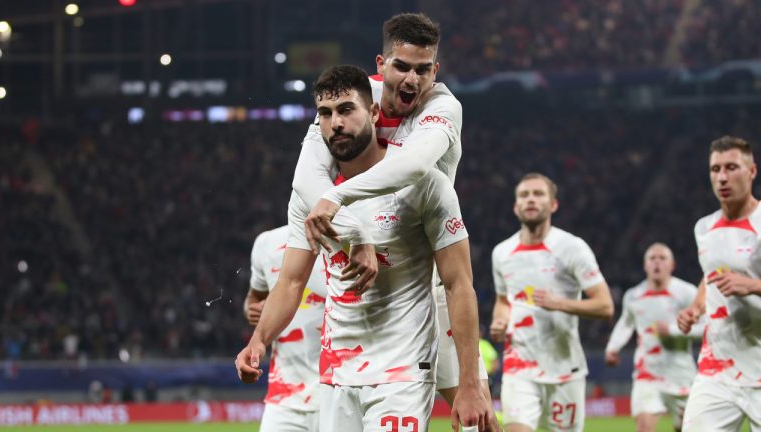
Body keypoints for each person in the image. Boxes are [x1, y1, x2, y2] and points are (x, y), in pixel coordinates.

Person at [236, 65, 489, 431]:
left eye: (346, 110)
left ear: (372, 113)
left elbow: (458, 285)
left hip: (403, 372)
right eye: (325, 114)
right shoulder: (311, 199)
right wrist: (258, 342)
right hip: (337, 375)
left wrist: (470, 383)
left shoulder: (425, 185)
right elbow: (291, 282)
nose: (335, 122)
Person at [291, 14, 495, 427]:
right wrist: (353, 231)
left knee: (476, 416)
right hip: (371, 290)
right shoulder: (350, 101)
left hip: (427, 283)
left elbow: (415, 164)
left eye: (423, 69)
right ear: (381, 65)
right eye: (402, 66)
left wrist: (336, 197)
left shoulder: (442, 107)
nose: (412, 80)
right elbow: (304, 176)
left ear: (434, 71)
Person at [489, 173, 614, 432]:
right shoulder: (502, 253)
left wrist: (559, 303)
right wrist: (500, 319)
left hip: (564, 369)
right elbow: (503, 300)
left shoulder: (572, 248)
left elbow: (605, 306)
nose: (530, 200)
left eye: (538, 194)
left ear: (553, 205)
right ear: (516, 207)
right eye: (524, 195)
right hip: (519, 366)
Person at [677, 136, 761, 432]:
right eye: (715, 169)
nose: (722, 177)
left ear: (752, 172)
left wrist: (753, 286)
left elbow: (743, 280)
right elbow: (711, 275)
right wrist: (696, 307)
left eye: (732, 167)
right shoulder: (704, 228)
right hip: (717, 370)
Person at [605, 243, 702, 432]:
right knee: (644, 427)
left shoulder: (686, 292)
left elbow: (706, 326)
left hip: (681, 374)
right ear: (645, 265)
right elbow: (626, 324)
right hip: (647, 373)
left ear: (672, 265)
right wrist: (612, 348)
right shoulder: (633, 296)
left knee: (685, 428)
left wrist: (673, 330)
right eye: (652, 258)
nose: (657, 262)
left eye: (662, 258)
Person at [243, 225, 327, 431]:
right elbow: (254, 298)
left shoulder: (348, 237)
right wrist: (251, 310)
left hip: (339, 392)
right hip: (285, 397)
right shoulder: (268, 243)